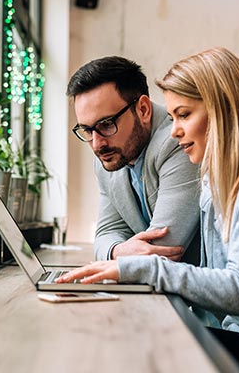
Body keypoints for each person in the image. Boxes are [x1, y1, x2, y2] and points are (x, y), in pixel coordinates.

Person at [59, 47, 239, 371]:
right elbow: (106, 234)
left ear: (224, 109)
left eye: (183, 115)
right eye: (173, 117)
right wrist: (119, 256)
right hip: (237, 332)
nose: (174, 130)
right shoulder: (220, 177)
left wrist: (131, 266)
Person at [67, 56, 200, 263]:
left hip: (196, 289)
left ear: (143, 110)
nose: (96, 144)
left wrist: (117, 253)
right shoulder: (111, 155)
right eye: (87, 130)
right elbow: (106, 233)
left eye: (106, 124)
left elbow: (163, 249)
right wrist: (117, 251)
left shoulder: (180, 141)